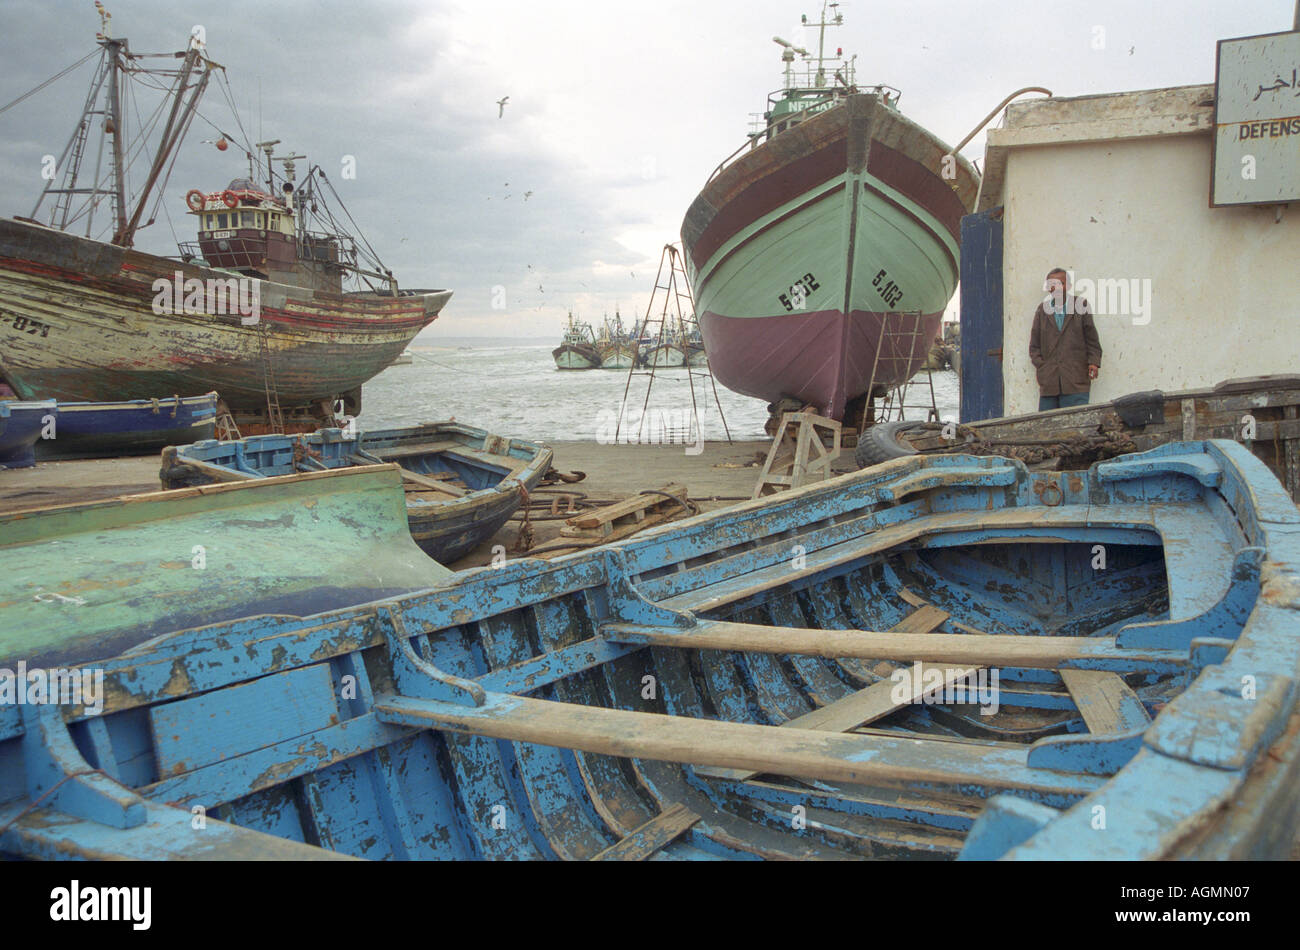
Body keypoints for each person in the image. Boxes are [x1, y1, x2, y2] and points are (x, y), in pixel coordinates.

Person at [1028, 267, 1102, 411]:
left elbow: (1092, 339)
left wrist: (1094, 362)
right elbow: (1034, 346)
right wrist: (1043, 367)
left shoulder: (1080, 305)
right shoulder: (1042, 310)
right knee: (1048, 427)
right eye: (1051, 285)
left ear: (1068, 285)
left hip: (1076, 380)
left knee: (1076, 425)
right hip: (1049, 384)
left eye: (1060, 283)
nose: (1055, 288)